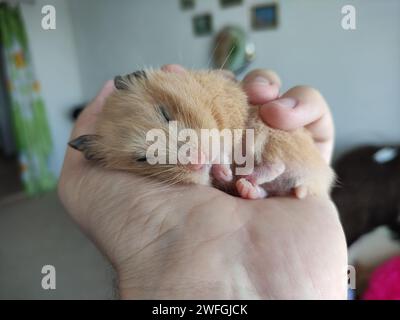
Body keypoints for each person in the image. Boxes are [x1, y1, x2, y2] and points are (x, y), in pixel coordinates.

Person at [58, 64, 347, 299]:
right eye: (145, 158)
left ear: (146, 77)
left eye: (166, 116)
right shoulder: (122, 171)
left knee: (265, 120)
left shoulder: (202, 86)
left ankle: (274, 171)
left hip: (285, 156)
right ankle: (268, 176)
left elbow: (234, 106)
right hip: (272, 181)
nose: (189, 157)